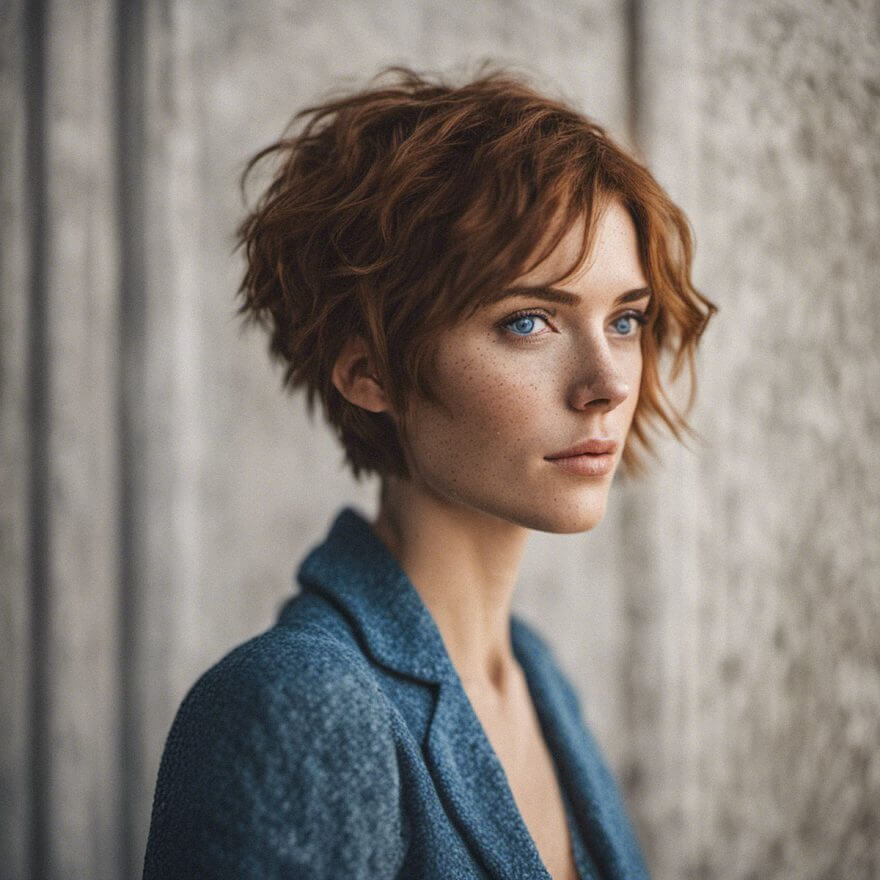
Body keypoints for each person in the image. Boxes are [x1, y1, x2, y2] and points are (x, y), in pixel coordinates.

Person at [142, 66, 716, 880]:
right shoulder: (298, 708)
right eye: (529, 321)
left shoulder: (537, 680)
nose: (609, 383)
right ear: (368, 371)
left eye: (624, 319)